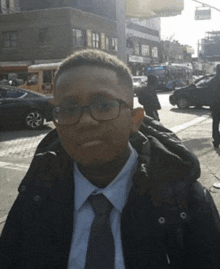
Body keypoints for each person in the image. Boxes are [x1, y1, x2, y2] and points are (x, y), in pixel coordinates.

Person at [1, 49, 220, 269]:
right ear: (56, 122)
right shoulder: (35, 194)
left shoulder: (186, 202)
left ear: (135, 119)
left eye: (104, 105)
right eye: (68, 108)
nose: (86, 121)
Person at [210, 64, 220, 148]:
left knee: (215, 124)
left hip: (215, 106)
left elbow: (208, 95)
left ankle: (216, 140)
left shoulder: (212, 81)